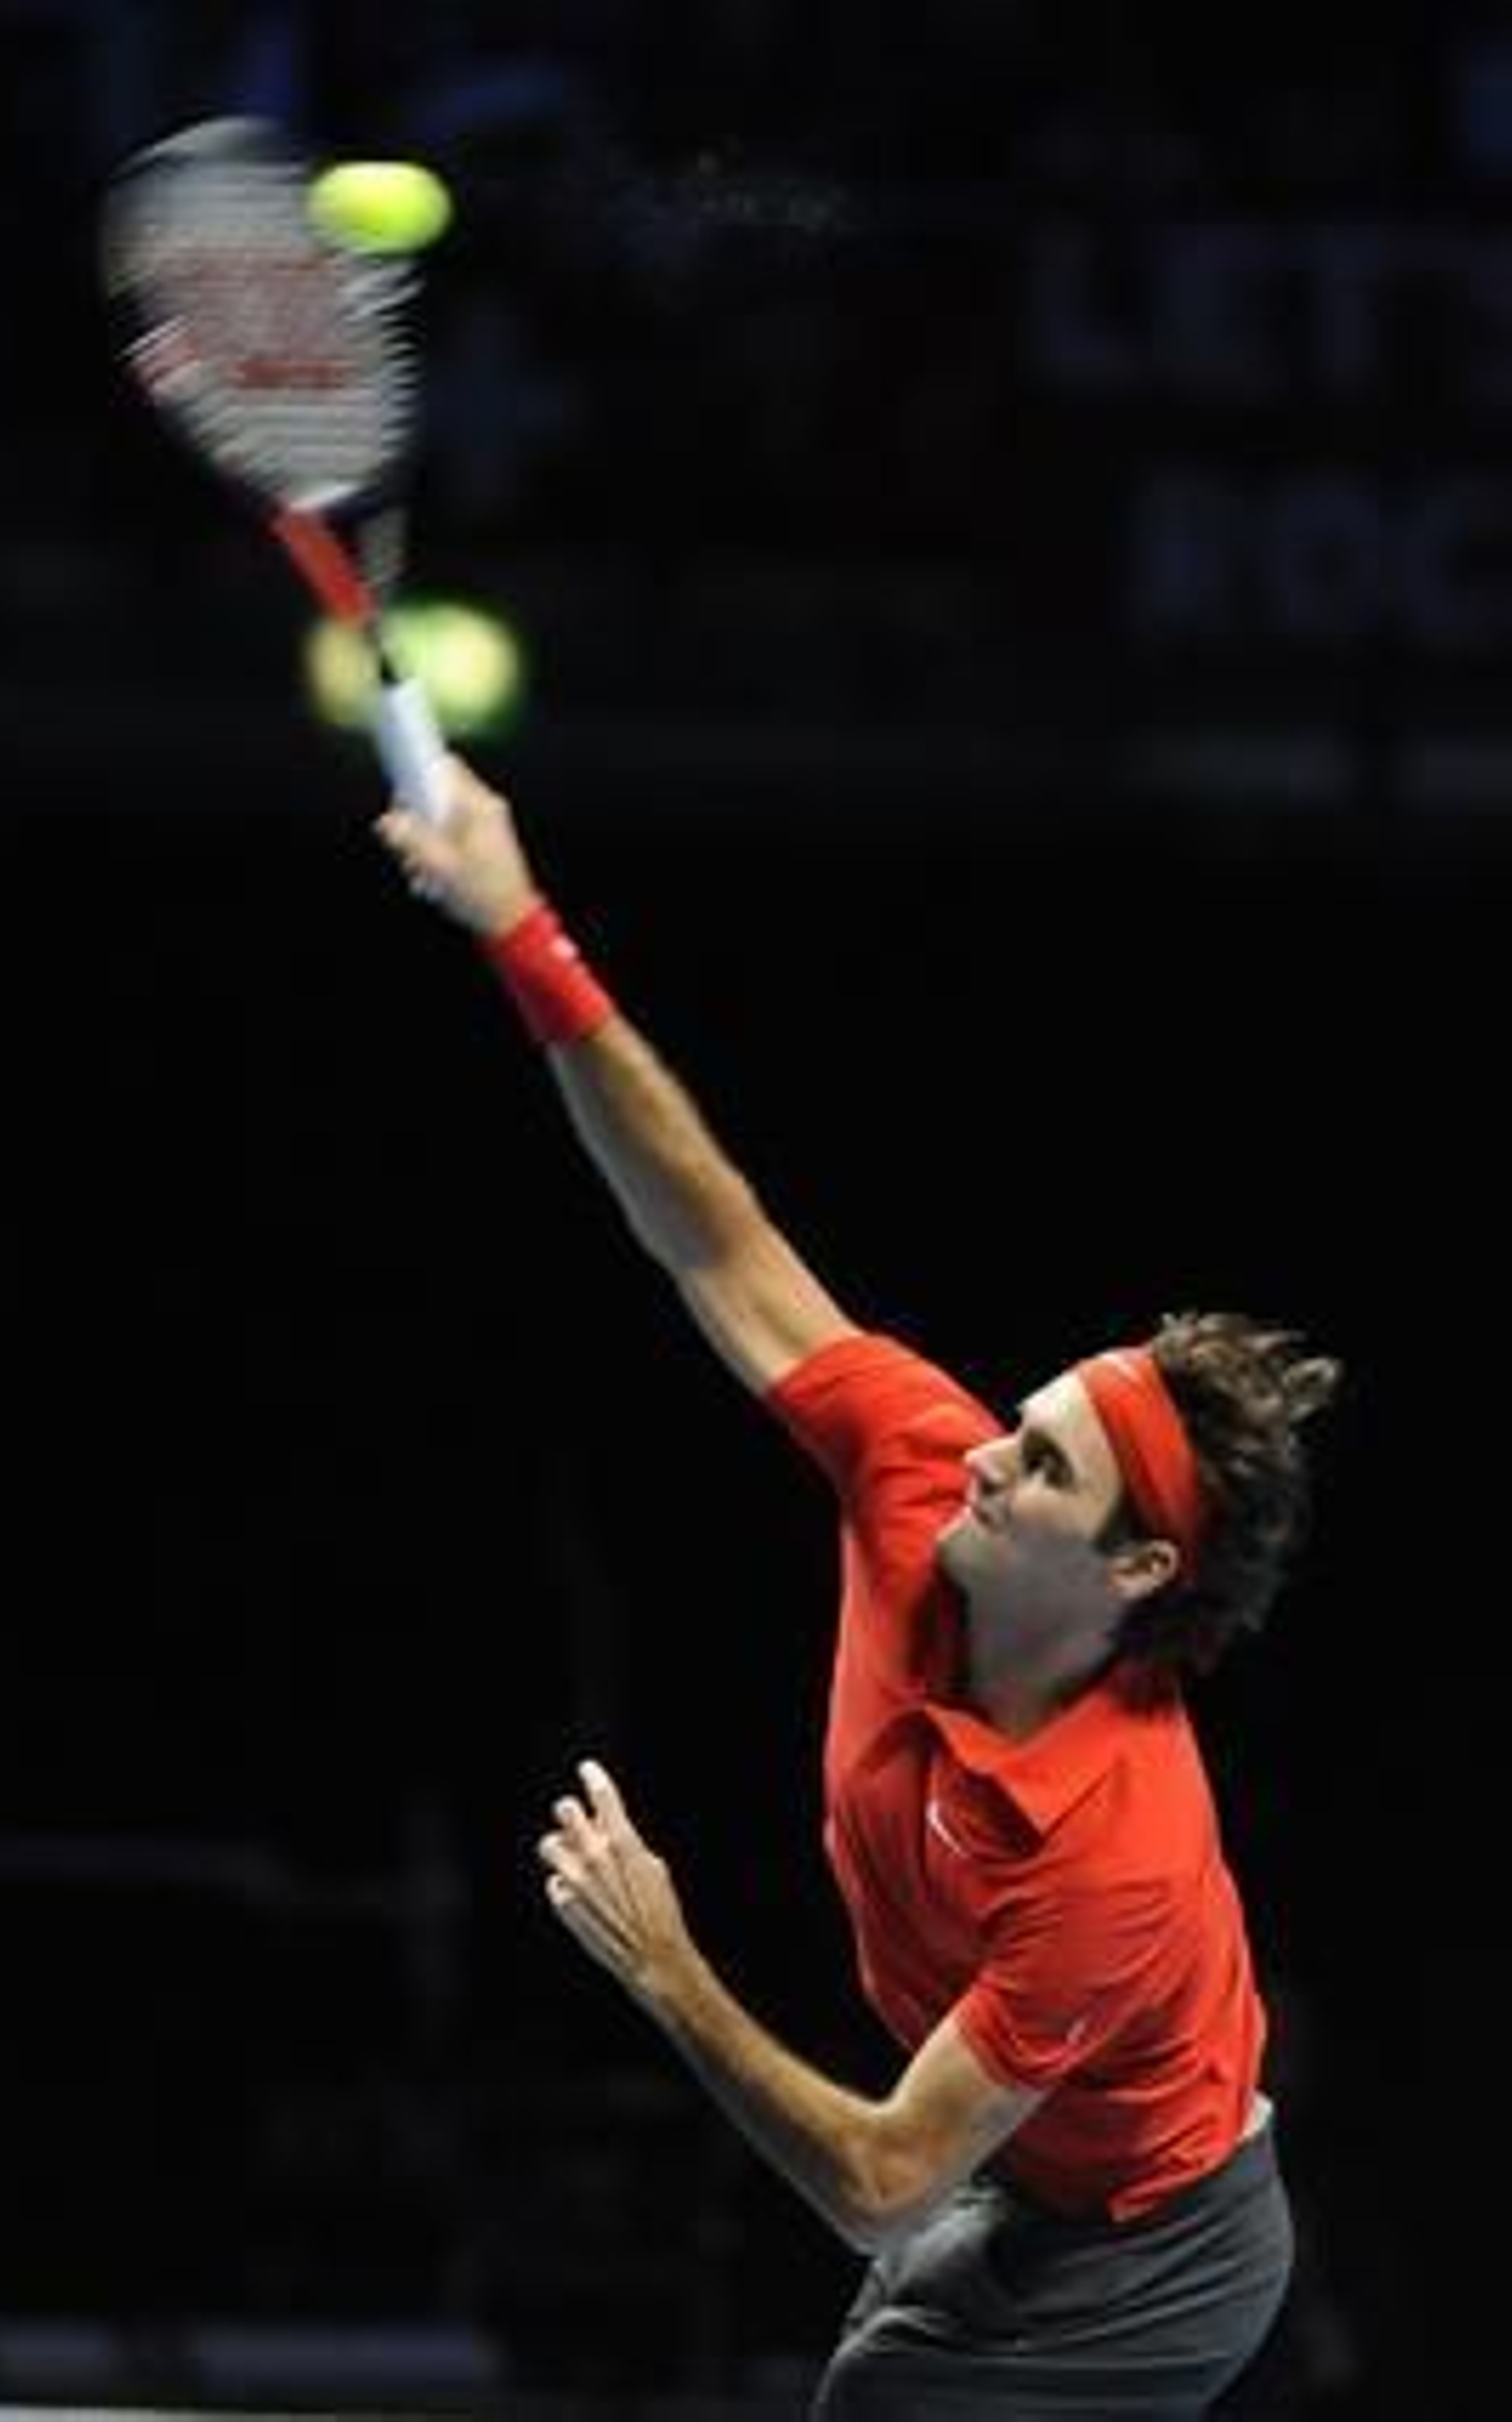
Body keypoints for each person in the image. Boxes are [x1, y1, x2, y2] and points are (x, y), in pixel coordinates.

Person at [376, 760, 1341, 2421]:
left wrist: (665, 1961)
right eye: (1017, 1424)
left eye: (1039, 1465)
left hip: (1158, 2255)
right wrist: (521, 928)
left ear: (1136, 1568)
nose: (984, 1456)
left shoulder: (1116, 1841)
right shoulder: (917, 1469)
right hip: (1021, 2174)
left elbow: (878, 2178)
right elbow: (713, 1236)